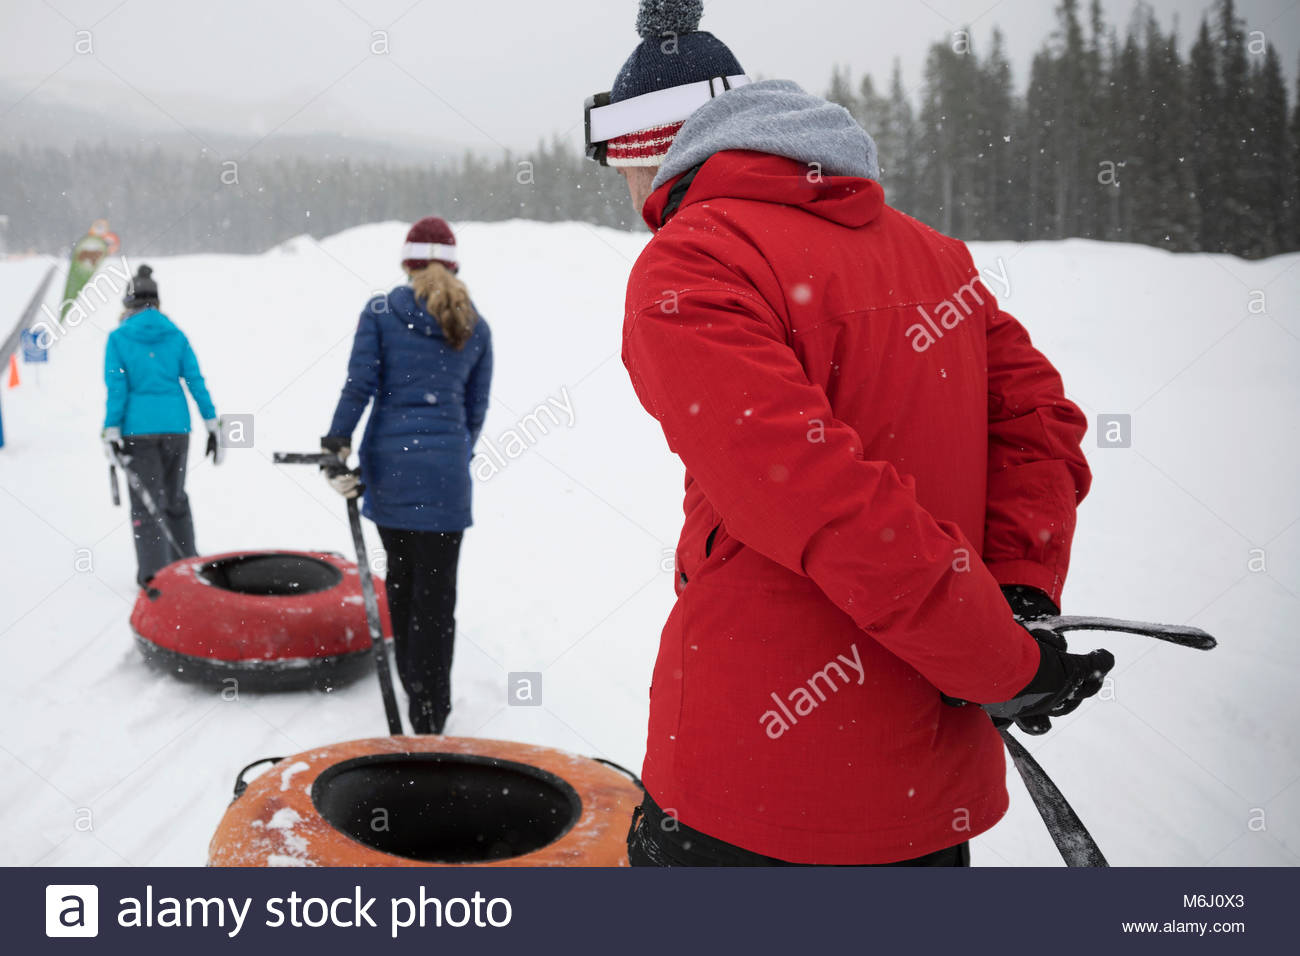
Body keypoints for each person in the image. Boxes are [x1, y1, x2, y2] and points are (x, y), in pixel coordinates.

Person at [585, 0, 1114, 866]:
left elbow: (828, 501)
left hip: (753, 793)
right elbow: (1039, 428)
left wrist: (1003, 661)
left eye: (626, 177)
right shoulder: (932, 255)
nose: (633, 203)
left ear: (658, 156)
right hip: (923, 800)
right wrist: (1018, 593)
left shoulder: (691, 263)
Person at [323, 217, 493, 734]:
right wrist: (450, 460)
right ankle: (431, 714)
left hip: (390, 472)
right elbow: (474, 412)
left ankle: (410, 688)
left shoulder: (380, 312)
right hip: (445, 480)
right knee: (438, 599)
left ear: (408, 262)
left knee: (401, 581)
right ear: (454, 264)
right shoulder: (474, 325)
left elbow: (360, 385)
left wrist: (336, 443)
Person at [102, 265, 223, 588]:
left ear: (128, 303)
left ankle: (155, 579)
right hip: (176, 428)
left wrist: (111, 430)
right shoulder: (175, 334)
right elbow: (196, 381)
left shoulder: (119, 338)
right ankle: (186, 569)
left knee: (146, 504)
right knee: (175, 498)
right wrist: (212, 424)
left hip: (137, 431)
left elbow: (117, 389)